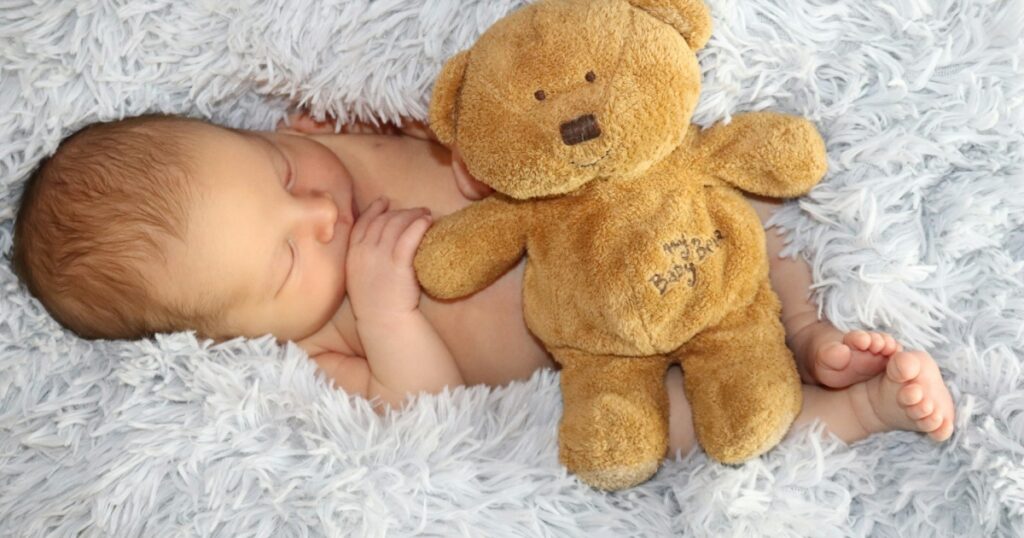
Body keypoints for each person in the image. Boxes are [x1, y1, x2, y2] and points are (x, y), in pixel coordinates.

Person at [11, 112, 955, 459]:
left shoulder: (334, 140)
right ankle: (854, 409)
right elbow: (424, 408)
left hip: (640, 235)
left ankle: (806, 330)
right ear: (231, 336)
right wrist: (385, 310)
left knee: (736, 209)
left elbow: (454, 112)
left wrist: (460, 143)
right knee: (686, 428)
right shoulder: (320, 346)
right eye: (289, 258)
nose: (320, 214)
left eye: (280, 171)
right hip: (603, 366)